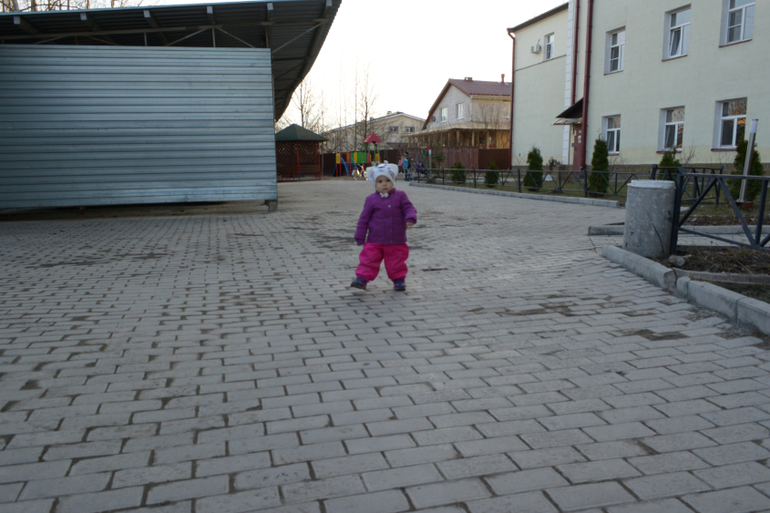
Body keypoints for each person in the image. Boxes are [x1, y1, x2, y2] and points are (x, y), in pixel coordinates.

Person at [350, 162, 417, 292]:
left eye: (387, 180)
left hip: (396, 239)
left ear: (393, 182)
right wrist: (360, 236)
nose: (384, 184)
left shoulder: (400, 196)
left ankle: (399, 280)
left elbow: (409, 207)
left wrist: (410, 218)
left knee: (396, 261)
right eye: (380, 181)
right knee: (369, 260)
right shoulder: (371, 199)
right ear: (375, 184)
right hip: (375, 240)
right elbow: (364, 219)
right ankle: (362, 279)